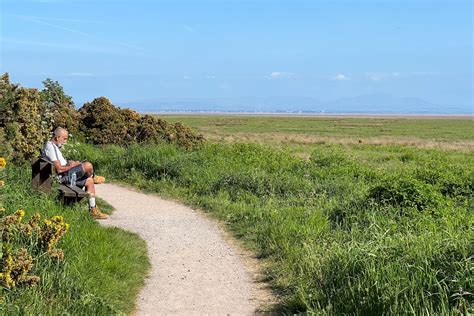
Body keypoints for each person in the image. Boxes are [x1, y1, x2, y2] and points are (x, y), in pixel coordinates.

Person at [42, 127, 108, 219]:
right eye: (64, 139)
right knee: (88, 165)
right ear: (57, 138)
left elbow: (61, 164)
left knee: (89, 181)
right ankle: (93, 176)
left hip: (64, 175)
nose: (66, 141)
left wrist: (70, 162)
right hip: (62, 177)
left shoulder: (53, 146)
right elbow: (59, 169)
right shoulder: (50, 147)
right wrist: (73, 165)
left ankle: (93, 209)